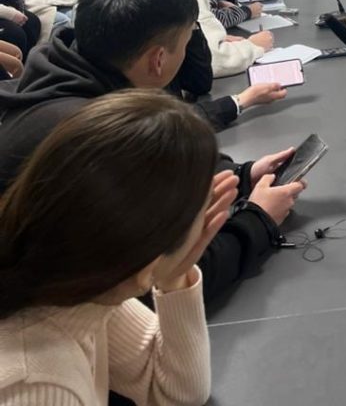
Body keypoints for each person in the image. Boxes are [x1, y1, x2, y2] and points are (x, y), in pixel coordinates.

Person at [0, 0, 305, 303]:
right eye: (186, 44)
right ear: (158, 59)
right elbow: (156, 283)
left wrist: (240, 177)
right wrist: (260, 219)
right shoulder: (98, 136)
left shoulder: (58, 73)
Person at [0, 89, 231, 405]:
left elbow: (177, 391)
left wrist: (174, 277)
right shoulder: (39, 386)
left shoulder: (78, 278)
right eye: (203, 210)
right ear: (145, 264)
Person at [77, 0, 282, 129]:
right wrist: (239, 100)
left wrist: (191, 25)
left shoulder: (129, 46)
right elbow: (158, 128)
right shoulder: (97, 106)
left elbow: (198, 82)